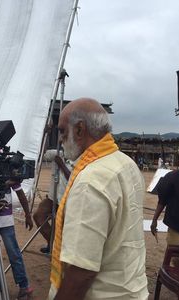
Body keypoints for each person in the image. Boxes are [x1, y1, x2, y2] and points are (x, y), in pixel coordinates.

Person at [49, 98, 148, 300]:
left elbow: (81, 271)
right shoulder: (125, 163)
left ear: (79, 129)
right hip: (131, 290)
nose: (60, 139)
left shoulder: (90, 180)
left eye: (62, 131)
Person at [0, 168, 34, 299]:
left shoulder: (9, 175)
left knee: (14, 254)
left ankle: (24, 287)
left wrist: (28, 214)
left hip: (5, 221)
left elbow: (21, 194)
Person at [33, 155, 71, 254]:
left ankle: (58, 247)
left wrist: (62, 165)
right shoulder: (60, 153)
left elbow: (73, 179)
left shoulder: (81, 159)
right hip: (53, 197)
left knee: (59, 223)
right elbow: (45, 154)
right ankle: (51, 242)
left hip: (68, 199)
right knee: (38, 216)